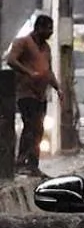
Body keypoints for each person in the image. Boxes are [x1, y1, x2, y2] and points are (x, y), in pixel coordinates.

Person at [5, 14, 60, 178]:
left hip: (40, 95)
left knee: (39, 129)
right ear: (38, 28)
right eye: (48, 29)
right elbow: (11, 60)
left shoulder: (46, 48)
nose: (50, 32)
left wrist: (58, 88)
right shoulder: (22, 42)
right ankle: (21, 162)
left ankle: (33, 164)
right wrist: (29, 72)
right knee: (30, 126)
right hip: (25, 92)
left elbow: (48, 71)